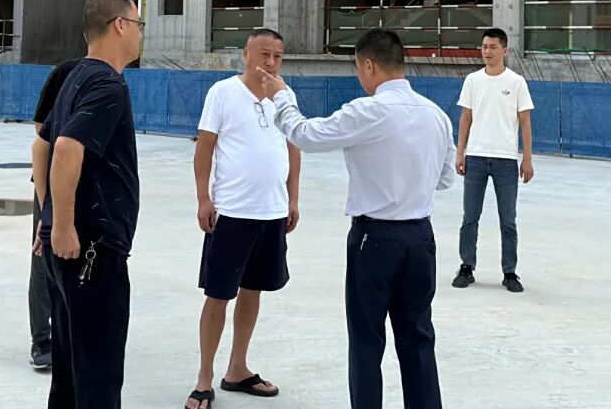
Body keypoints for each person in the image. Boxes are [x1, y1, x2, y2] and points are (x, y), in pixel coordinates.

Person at [260, 28, 455, 409]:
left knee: (367, 342)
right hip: (420, 238)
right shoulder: (435, 115)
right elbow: (446, 179)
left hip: (375, 239)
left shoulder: (367, 111)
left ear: (368, 65)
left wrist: (282, 96)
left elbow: (305, 134)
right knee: (418, 339)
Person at [31, 0, 143, 409]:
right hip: (92, 249)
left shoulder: (74, 75)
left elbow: (40, 145)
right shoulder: (107, 85)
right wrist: (61, 225)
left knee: (70, 372)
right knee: (98, 375)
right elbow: (64, 148)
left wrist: (48, 216)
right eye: (138, 24)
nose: (140, 34)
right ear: (120, 26)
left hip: (71, 248)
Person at [185, 28, 301, 409]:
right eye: (264, 54)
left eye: (278, 56)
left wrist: (292, 198)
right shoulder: (222, 93)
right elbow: (205, 147)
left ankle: (237, 368)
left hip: (272, 212)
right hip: (232, 213)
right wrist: (204, 198)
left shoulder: (285, 96)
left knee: (253, 290)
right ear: (246, 55)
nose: (271, 62)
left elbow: (293, 147)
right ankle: (204, 378)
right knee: (218, 295)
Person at [451, 28, 535, 293]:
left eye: (493, 47)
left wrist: (527, 158)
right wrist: (460, 152)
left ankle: (509, 271)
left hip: (505, 159)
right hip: (476, 157)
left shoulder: (516, 82)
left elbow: (525, 121)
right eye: (484, 47)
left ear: (505, 51)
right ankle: (466, 267)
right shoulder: (473, 80)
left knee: (508, 219)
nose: (487, 51)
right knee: (470, 216)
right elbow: (466, 118)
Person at [27, 57, 82, 370]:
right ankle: (42, 338)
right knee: (43, 259)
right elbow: (41, 134)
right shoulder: (65, 72)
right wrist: (46, 201)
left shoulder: (113, 78)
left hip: (89, 185)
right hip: (51, 182)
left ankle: (73, 334)